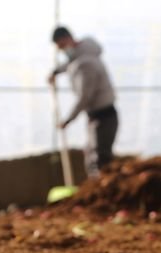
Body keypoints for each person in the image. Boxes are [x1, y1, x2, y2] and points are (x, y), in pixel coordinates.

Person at [48, 26, 118, 177]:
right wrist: (56, 71)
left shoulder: (85, 64)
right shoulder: (87, 52)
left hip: (102, 117)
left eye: (61, 46)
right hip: (103, 116)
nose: (61, 50)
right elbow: (72, 63)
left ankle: (102, 192)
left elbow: (84, 97)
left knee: (98, 161)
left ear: (66, 39)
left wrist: (68, 120)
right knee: (93, 154)